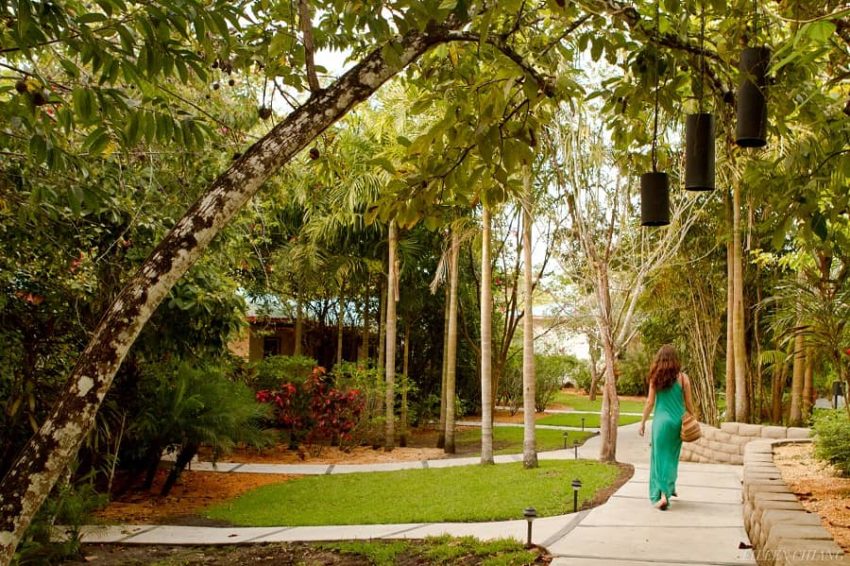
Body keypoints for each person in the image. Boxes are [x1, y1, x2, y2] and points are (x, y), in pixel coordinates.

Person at [638, 344, 697, 510]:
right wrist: (693, 418)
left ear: (659, 360)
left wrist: (642, 422)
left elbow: (650, 402)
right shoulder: (684, 378)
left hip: (660, 423)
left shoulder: (655, 378)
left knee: (659, 458)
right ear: (675, 360)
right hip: (677, 423)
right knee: (671, 457)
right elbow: (689, 403)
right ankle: (671, 487)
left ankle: (664, 495)